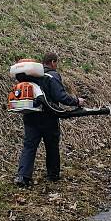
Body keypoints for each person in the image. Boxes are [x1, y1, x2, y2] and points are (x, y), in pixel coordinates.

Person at [15, 52, 84, 186]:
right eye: (56, 63)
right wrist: (77, 101)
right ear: (52, 62)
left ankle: (23, 177)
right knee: (51, 145)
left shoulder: (30, 76)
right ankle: (53, 174)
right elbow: (61, 96)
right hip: (48, 117)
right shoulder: (51, 76)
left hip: (30, 115)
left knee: (29, 146)